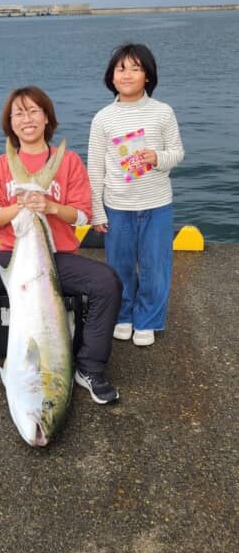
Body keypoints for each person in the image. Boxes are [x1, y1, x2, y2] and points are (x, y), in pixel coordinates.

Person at [0, 85, 122, 403]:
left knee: (107, 282)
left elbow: (82, 216)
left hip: (57, 259)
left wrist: (50, 207)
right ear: (10, 123)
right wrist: (20, 206)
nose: (27, 118)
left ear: (47, 118)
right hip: (12, 255)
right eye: (19, 113)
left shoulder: (69, 162)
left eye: (34, 110)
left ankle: (90, 367)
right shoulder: (0, 164)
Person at [88, 43, 185, 347]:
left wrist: (157, 157)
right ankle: (124, 314)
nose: (127, 74)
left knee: (156, 267)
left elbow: (177, 153)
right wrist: (97, 210)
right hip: (117, 205)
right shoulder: (103, 118)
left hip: (157, 204)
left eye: (135, 68)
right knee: (119, 267)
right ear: (111, 77)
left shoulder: (163, 112)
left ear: (148, 76)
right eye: (121, 68)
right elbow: (94, 168)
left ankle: (149, 319)